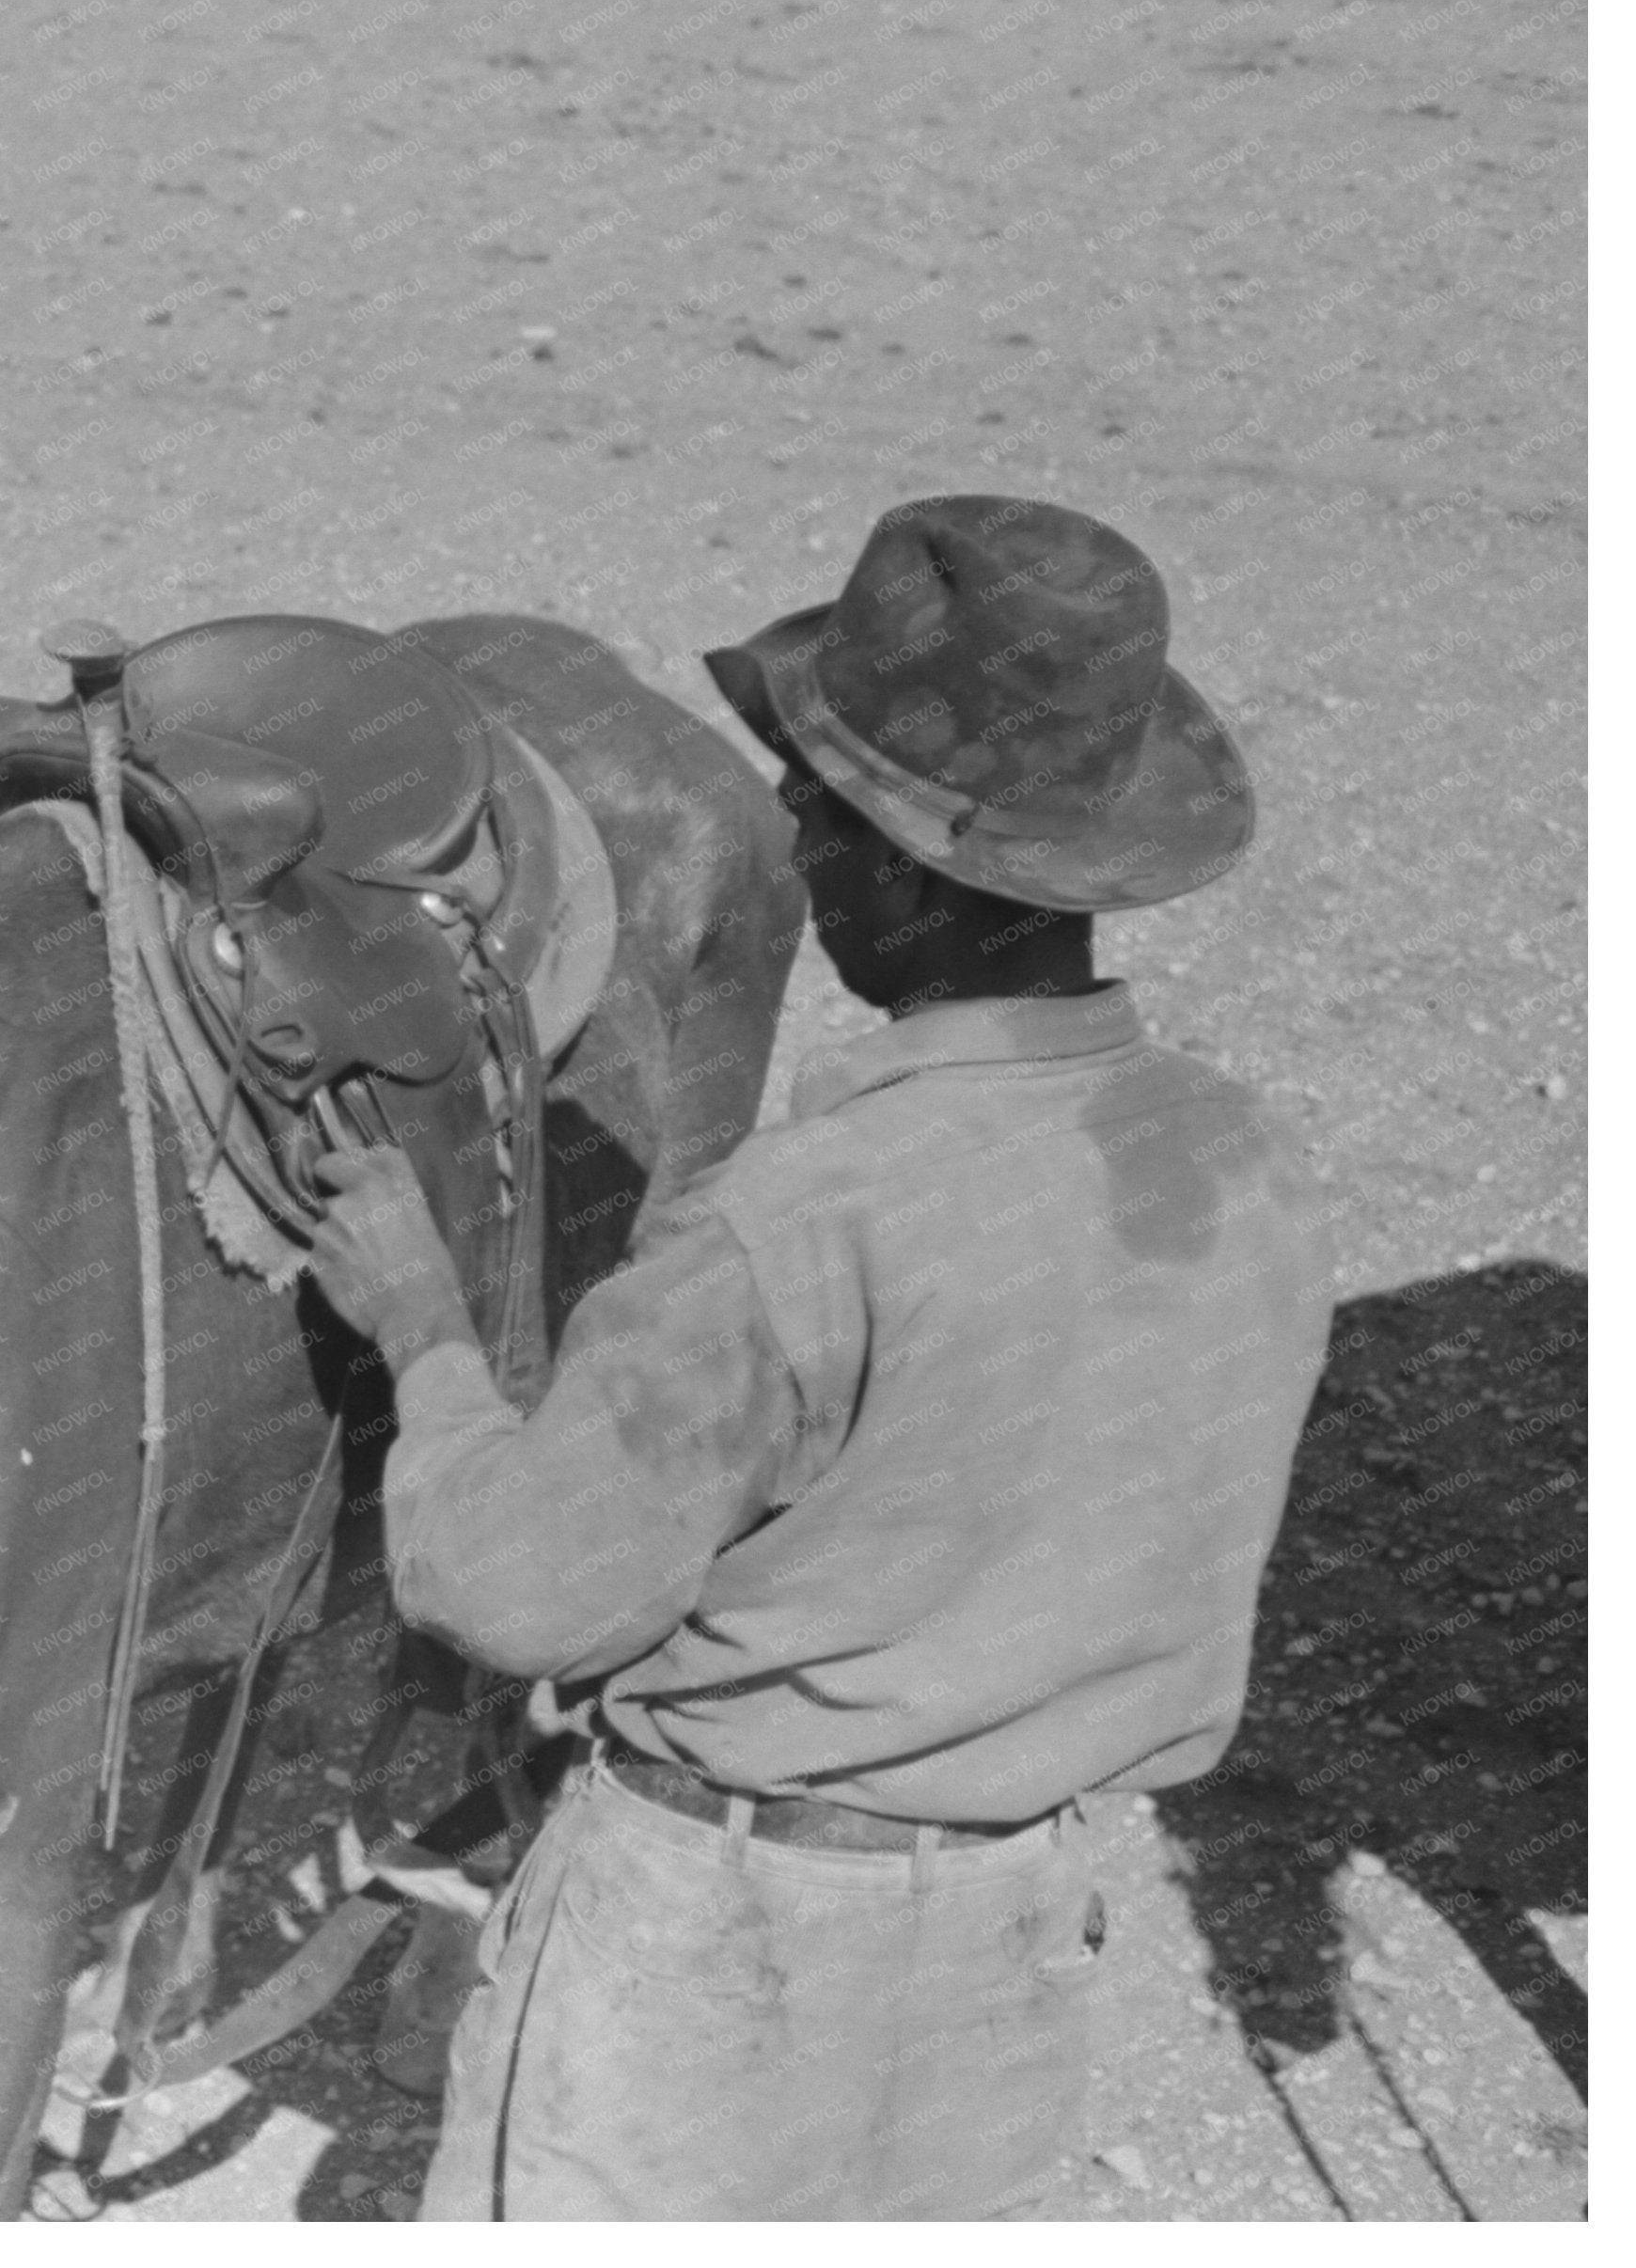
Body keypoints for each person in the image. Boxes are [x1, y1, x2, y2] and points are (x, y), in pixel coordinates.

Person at [307, 496, 1336, 2219]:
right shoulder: (1247, 1163)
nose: (790, 836)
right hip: (1015, 1946)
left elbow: (515, 1588)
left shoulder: (797, 1221)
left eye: (814, 807)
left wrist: (423, 1329)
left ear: (904, 866)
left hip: (714, 1945)